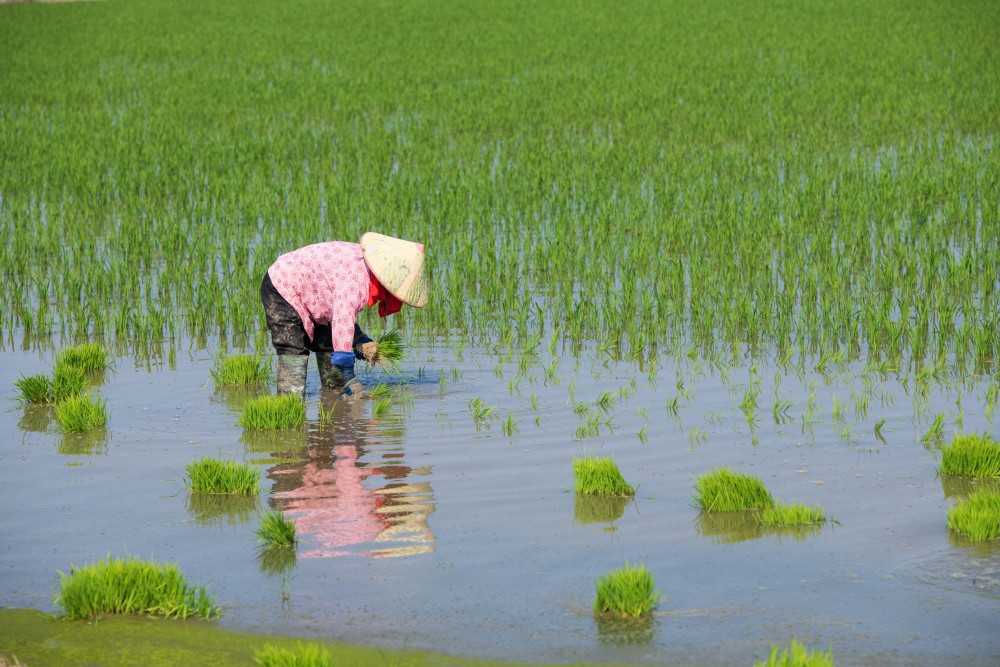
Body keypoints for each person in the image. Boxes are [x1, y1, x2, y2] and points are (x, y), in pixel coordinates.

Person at [259, 232, 428, 399]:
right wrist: (350, 376)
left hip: (314, 293)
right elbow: (342, 319)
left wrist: (360, 339)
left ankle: (334, 397)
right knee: (291, 348)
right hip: (282, 284)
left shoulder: (366, 268)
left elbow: (341, 317)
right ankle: (290, 403)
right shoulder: (358, 281)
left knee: (328, 343)